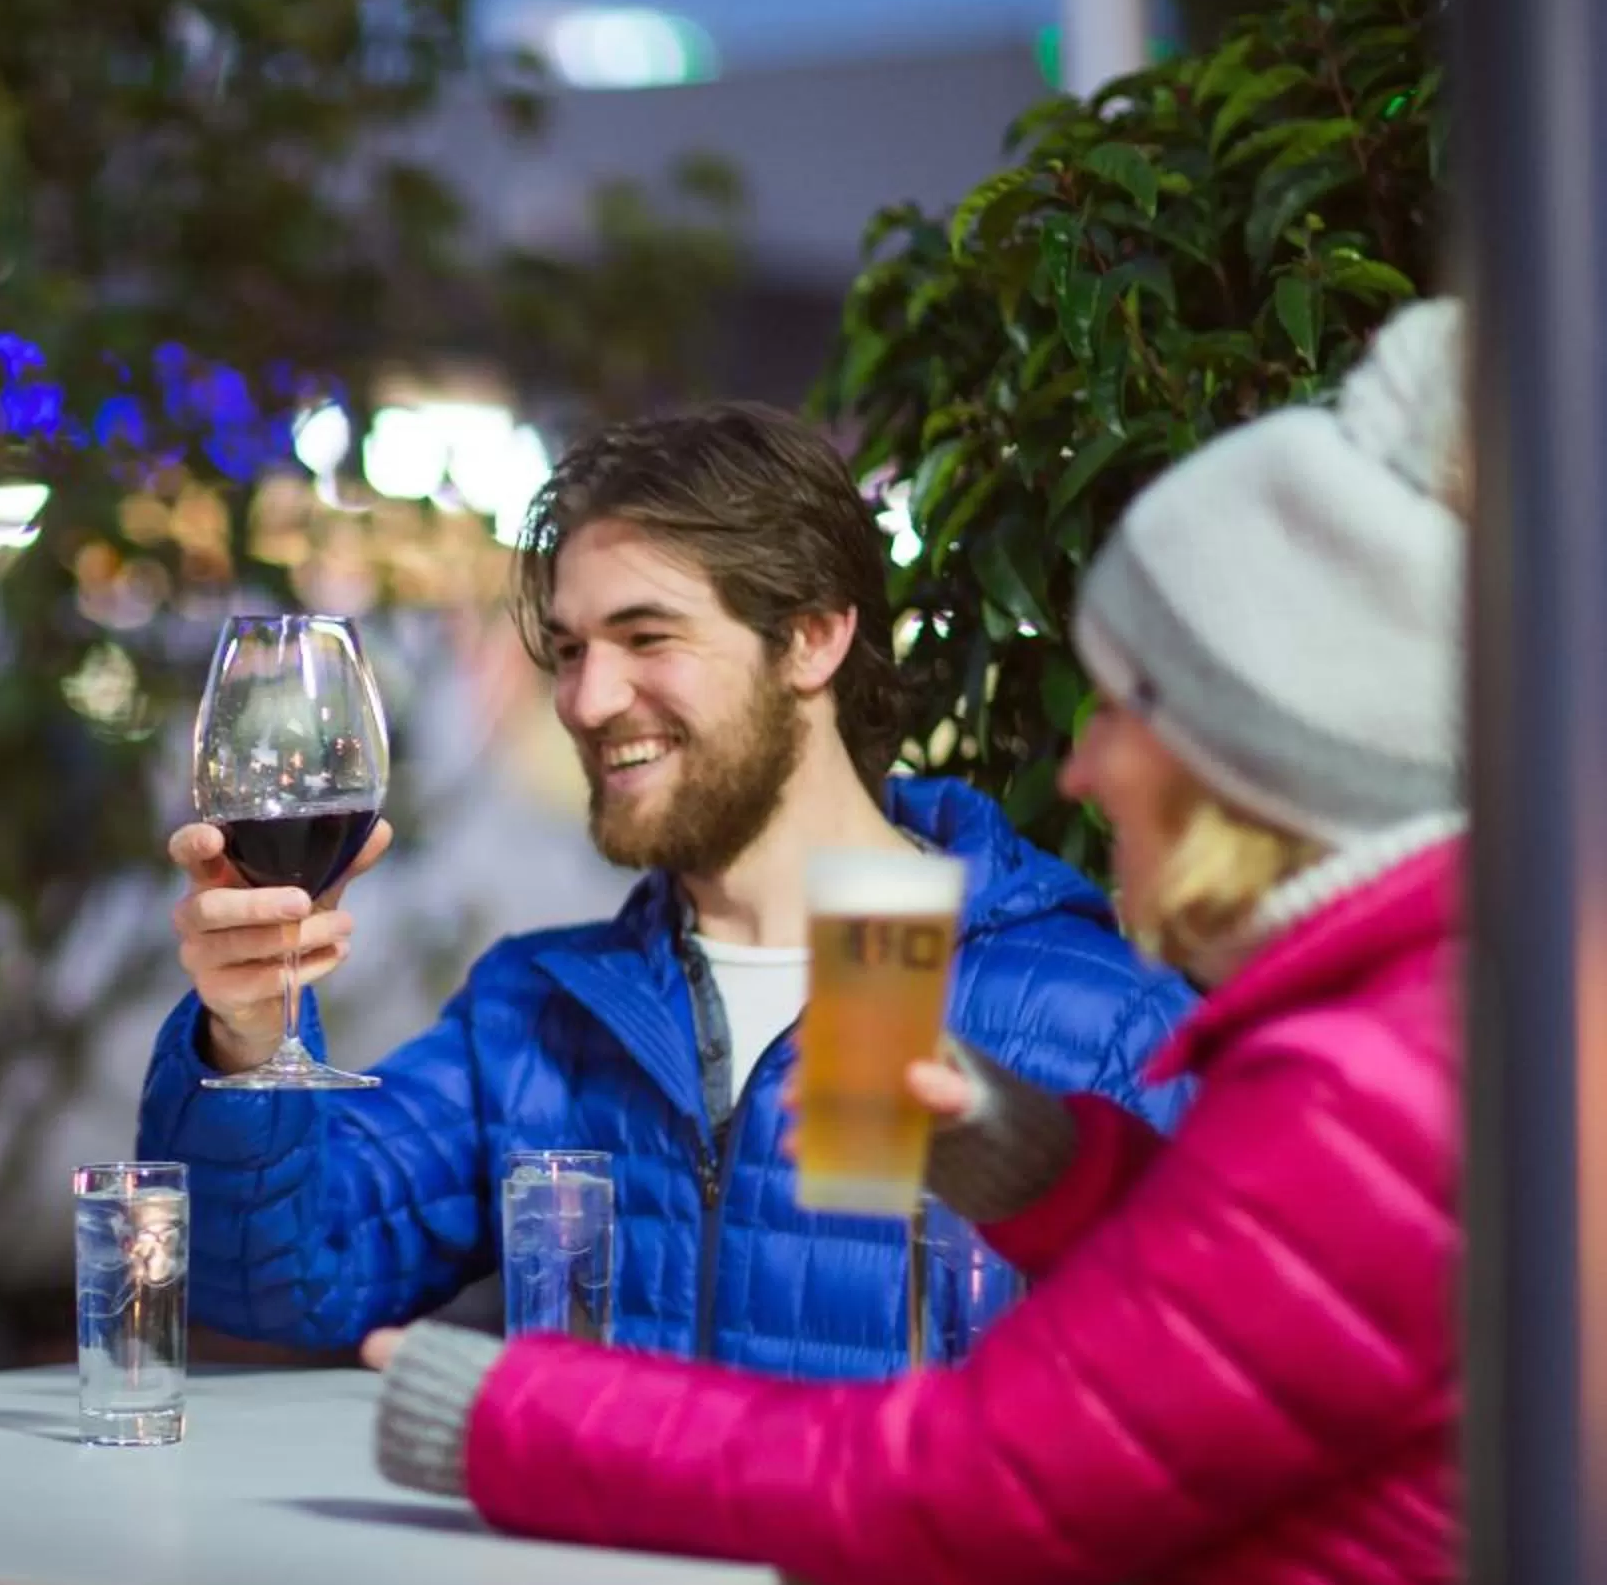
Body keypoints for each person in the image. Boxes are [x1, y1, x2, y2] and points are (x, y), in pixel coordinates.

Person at [372, 301, 1471, 1585]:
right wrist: (1037, 1166)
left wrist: (507, 1416)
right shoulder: (1409, 1022)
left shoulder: (1354, 1087)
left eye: (1123, 710)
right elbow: (1272, 1307)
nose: (1082, 770)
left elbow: (955, 1493)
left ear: (1252, 748)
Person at [141, 402, 1192, 1376]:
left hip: (890, 1582)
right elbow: (270, 1279)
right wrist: (245, 1029)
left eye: (648, 637)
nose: (590, 699)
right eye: (568, 649)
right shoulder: (541, 1017)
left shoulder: (1095, 1020)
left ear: (813, 637)